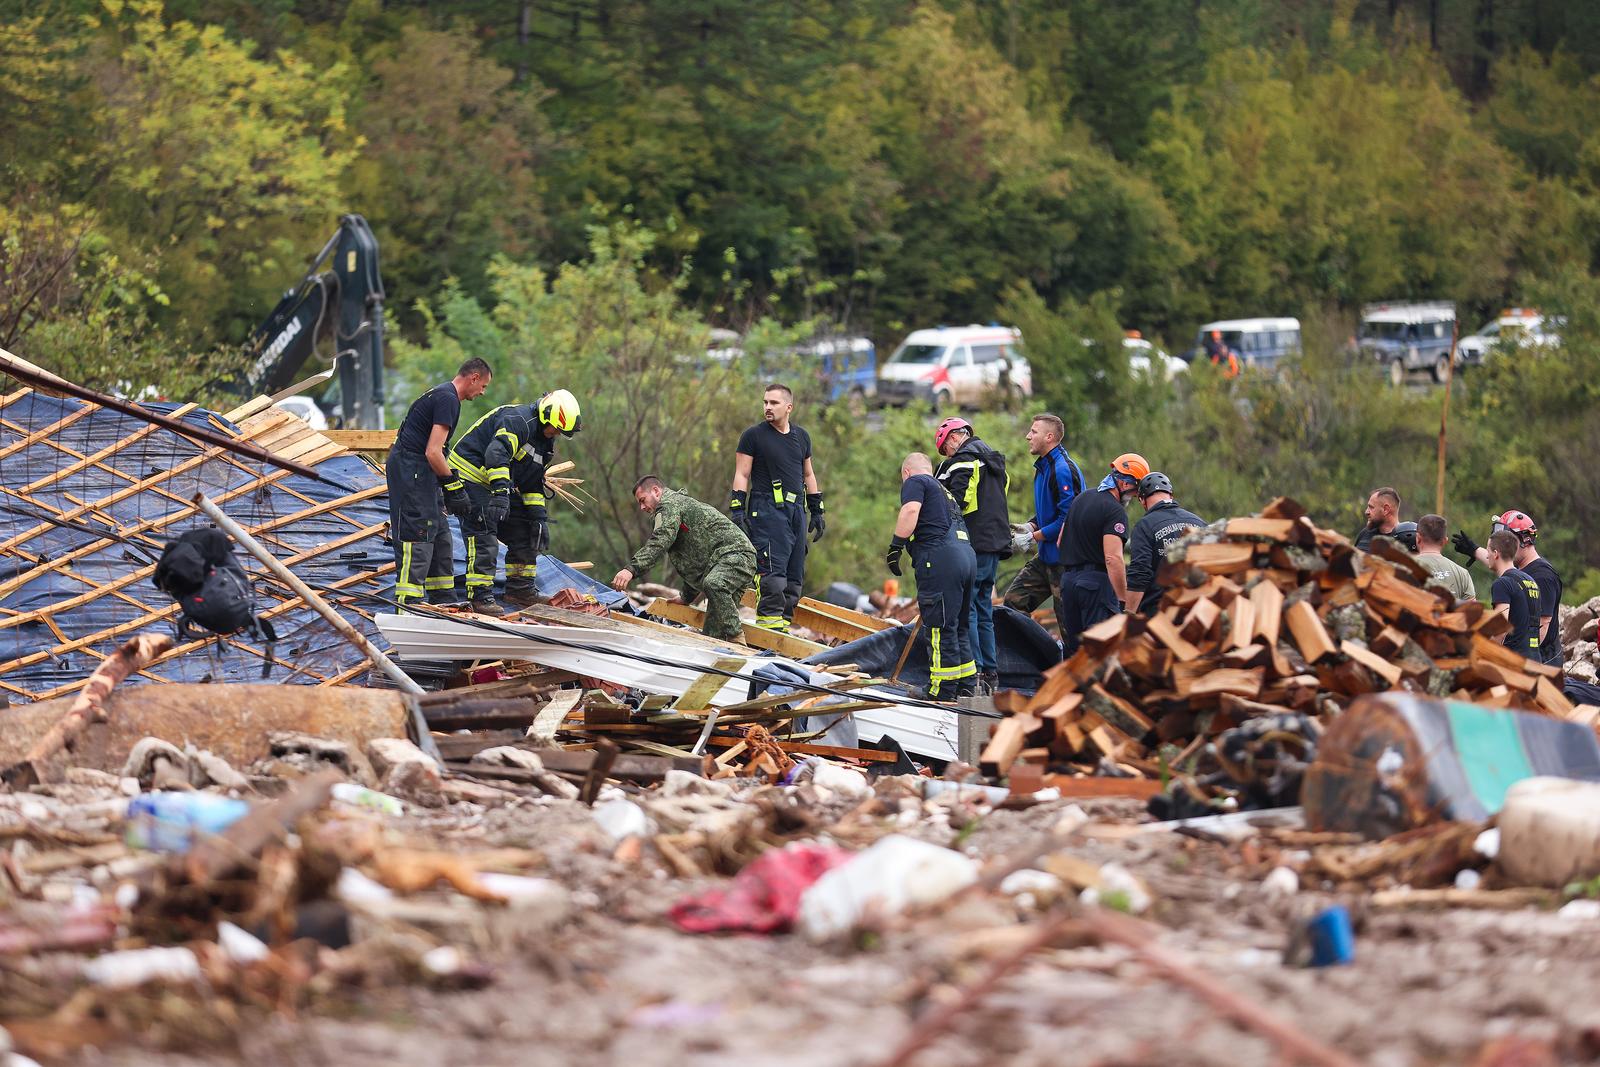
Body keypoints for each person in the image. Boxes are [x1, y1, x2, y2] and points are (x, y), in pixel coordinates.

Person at [447, 390, 582, 614]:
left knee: (528, 529)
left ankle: (521, 589)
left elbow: (531, 483)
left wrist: (539, 518)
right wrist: (500, 493)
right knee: (484, 532)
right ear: (545, 416)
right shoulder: (517, 421)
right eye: (556, 428)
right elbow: (496, 454)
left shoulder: (544, 443)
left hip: (497, 484)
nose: (555, 434)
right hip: (468, 477)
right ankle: (480, 597)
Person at [386, 358, 491, 612]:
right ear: (473, 377)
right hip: (412, 471)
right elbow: (433, 452)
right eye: (484, 386)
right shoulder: (448, 399)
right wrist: (453, 485)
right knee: (418, 530)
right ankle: (408, 605)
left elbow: (437, 451)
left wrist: (446, 487)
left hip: (421, 471)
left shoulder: (443, 395)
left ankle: (442, 597)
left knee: (440, 530)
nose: (482, 393)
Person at [730, 383, 825, 633]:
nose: (767, 407)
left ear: (789, 407)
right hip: (767, 509)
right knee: (773, 572)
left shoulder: (802, 437)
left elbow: (809, 474)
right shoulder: (754, 435)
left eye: (773, 403)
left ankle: (780, 629)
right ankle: (768, 631)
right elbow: (742, 473)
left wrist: (817, 509)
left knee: (795, 576)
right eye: (765, 402)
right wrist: (737, 509)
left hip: (796, 511)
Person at [612, 477, 756, 641]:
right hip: (725, 560)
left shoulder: (669, 506)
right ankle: (728, 653)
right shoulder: (674, 510)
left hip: (737, 555)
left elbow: (659, 541)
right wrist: (686, 597)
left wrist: (630, 569)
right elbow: (695, 564)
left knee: (714, 584)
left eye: (643, 500)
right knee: (712, 635)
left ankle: (735, 637)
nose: (642, 507)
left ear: (656, 491)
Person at [886, 453, 976, 700]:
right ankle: (966, 685)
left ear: (906, 472)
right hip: (967, 557)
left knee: (938, 627)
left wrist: (896, 546)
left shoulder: (916, 481)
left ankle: (941, 691)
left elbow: (911, 510)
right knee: (958, 626)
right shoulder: (945, 492)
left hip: (941, 559)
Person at [934, 417, 1010, 693]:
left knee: (969, 610)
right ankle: (990, 672)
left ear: (955, 437)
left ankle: (974, 670)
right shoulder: (994, 462)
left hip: (974, 544)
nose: (947, 455)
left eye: (946, 449)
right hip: (996, 543)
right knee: (984, 608)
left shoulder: (964, 460)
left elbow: (956, 503)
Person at [1001, 413, 1084, 640]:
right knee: (1013, 602)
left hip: (1066, 562)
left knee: (1070, 629)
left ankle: (1071, 670)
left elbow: (1069, 519)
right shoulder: (1044, 467)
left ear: (1049, 437)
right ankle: (1040, 656)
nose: (1028, 436)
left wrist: (1034, 537)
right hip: (1047, 558)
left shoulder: (1062, 469)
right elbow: (1051, 511)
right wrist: (1030, 525)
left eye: (1033, 432)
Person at [1056, 454, 1145, 654]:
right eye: (1134, 489)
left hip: (1068, 582)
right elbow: (1113, 558)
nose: (1134, 495)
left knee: (1075, 652)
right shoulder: (1114, 510)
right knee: (1098, 652)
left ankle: (1071, 686)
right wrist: (1122, 600)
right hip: (1095, 585)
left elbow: (1060, 540)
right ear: (1123, 482)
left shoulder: (1082, 498)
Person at [1452, 510, 1562, 666]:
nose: (1505, 545)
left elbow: (1542, 625)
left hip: (1543, 661)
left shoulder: (1542, 576)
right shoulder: (1524, 574)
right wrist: (1474, 550)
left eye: (1508, 539)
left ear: (1522, 541)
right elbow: (1501, 563)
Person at [1124, 471, 1206, 615]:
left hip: (1159, 613)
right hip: (1198, 609)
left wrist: (1128, 613)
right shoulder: (1199, 522)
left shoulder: (1144, 526)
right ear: (1171, 495)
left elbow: (1140, 572)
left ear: (1142, 500)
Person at [1485, 530, 1542, 659]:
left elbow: (1501, 628)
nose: (1487, 556)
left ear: (1495, 554)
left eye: (1488, 551)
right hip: (1535, 659)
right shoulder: (1530, 581)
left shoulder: (1502, 584)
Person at [1413, 514, 1475, 604]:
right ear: (1445, 541)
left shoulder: (1403, 566)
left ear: (1418, 538)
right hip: (1451, 618)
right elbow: (1471, 611)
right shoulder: (1462, 573)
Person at [1353, 487, 1417, 552]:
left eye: (1371, 507)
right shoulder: (1365, 534)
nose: (1366, 512)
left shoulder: (1407, 538)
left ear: (1386, 510)